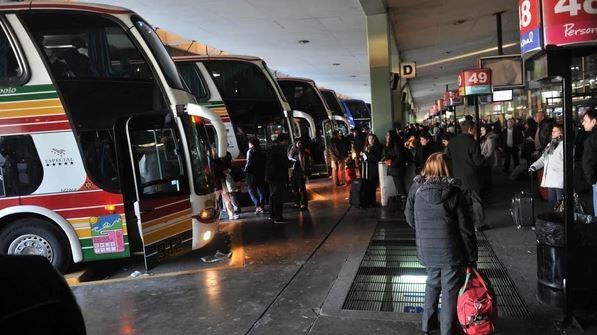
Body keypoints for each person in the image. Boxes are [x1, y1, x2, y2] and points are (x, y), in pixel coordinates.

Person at [405, 153, 477, 335]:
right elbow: (466, 229)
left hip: (426, 250)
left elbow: (409, 217)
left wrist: (424, 231)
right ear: (447, 168)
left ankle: (427, 326)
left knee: (431, 284)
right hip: (451, 253)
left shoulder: (416, 188)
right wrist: (472, 257)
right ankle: (447, 330)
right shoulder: (455, 193)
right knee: (450, 291)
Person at [446, 120, 487, 230]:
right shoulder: (473, 143)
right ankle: (479, 224)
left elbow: (447, 158)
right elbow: (478, 161)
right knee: (476, 202)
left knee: (461, 202)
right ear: (470, 129)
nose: (475, 131)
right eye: (475, 129)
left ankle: (462, 223)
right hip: (472, 178)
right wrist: (484, 157)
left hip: (457, 178)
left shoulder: (452, 142)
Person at [529, 124, 564, 205]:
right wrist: (534, 166)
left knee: (561, 205)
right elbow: (544, 158)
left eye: (555, 131)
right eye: (552, 131)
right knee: (552, 203)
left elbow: (569, 164)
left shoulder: (565, 145)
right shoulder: (552, 144)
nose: (552, 133)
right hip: (551, 180)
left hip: (560, 181)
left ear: (561, 133)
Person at [265, 133, 292, 223]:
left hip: (270, 176)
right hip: (278, 176)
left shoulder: (270, 147)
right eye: (286, 141)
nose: (287, 143)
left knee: (272, 196)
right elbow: (284, 162)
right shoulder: (280, 149)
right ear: (283, 141)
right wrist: (291, 163)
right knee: (278, 196)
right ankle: (278, 217)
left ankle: (272, 215)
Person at [383, 130, 410, 198]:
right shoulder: (393, 143)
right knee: (399, 187)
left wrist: (392, 164)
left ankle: (404, 203)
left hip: (397, 169)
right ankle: (403, 202)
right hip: (395, 169)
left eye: (388, 135)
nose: (387, 136)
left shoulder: (396, 144)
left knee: (400, 187)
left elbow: (399, 156)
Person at [245, 137, 266, 214]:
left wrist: (246, 170)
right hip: (261, 173)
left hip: (252, 174)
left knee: (251, 190)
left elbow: (249, 163)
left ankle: (258, 206)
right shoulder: (263, 151)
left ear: (251, 144)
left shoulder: (250, 151)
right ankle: (262, 205)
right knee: (262, 190)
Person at [581, 109, 597, 215]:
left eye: (585, 120)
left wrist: (592, 180)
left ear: (594, 121)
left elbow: (588, 163)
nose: (583, 123)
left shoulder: (591, 139)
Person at [289, 137, 311, 209]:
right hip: (293, 173)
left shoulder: (305, 152)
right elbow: (289, 161)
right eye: (298, 143)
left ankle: (303, 204)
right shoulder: (292, 152)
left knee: (302, 188)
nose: (299, 144)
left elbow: (307, 163)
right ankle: (297, 203)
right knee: (295, 189)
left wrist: (306, 173)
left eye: (300, 143)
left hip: (301, 172)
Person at [480, 125, 499, 195]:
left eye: (483, 130)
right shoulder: (483, 138)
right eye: (481, 130)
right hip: (483, 161)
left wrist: (482, 159)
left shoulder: (490, 139)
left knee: (487, 176)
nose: (481, 131)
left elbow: (490, 153)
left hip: (487, 161)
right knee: (485, 176)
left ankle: (489, 191)